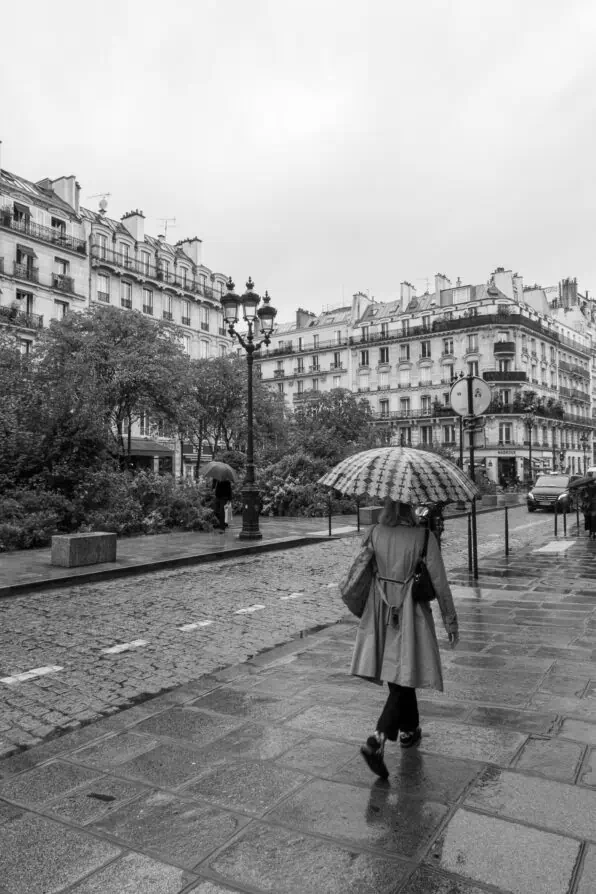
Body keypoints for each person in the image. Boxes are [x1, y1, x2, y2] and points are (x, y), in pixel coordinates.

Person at [351, 498, 459, 779]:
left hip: (380, 609)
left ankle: (410, 730)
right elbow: (440, 582)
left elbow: (362, 567)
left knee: (399, 670)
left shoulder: (374, 532)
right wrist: (450, 619)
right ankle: (377, 738)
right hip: (409, 611)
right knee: (403, 672)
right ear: (410, 508)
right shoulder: (424, 536)